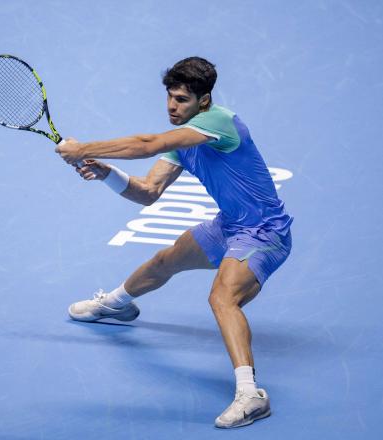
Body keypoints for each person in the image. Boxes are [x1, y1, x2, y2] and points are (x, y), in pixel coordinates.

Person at [55, 56, 293, 429]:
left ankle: (251, 395)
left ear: (204, 100)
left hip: (264, 233)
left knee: (221, 298)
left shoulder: (218, 122)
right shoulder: (182, 142)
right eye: (169, 97)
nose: (171, 106)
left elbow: (149, 143)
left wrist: (84, 148)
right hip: (229, 225)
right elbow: (149, 192)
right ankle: (116, 305)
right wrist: (106, 173)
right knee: (165, 261)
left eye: (181, 99)